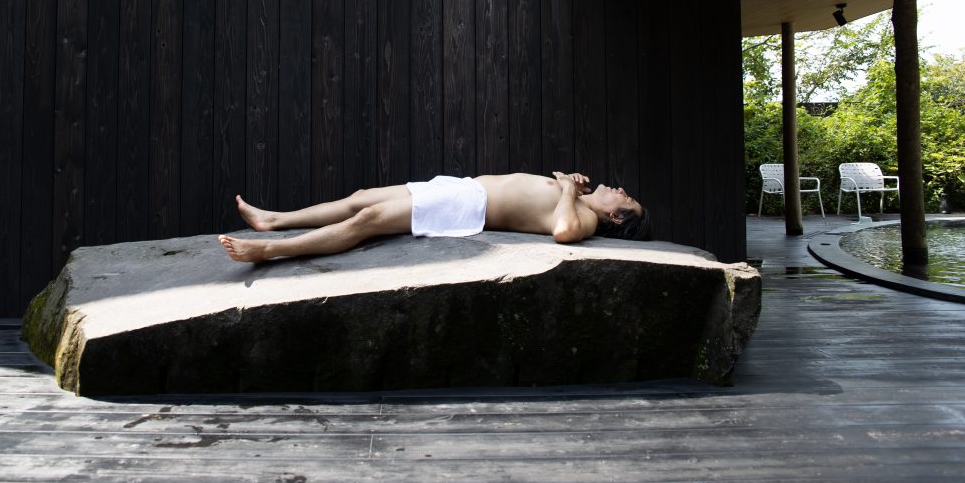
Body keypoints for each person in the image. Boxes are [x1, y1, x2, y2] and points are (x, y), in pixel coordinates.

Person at [218, 171, 650, 263]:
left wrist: (569, 190)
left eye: (626, 199)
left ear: (615, 218)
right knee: (361, 197)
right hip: (463, 189)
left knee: (369, 218)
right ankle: (274, 220)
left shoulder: (586, 220)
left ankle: (269, 249)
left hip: (468, 209)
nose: (620, 189)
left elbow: (563, 232)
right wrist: (572, 188)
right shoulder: (581, 197)